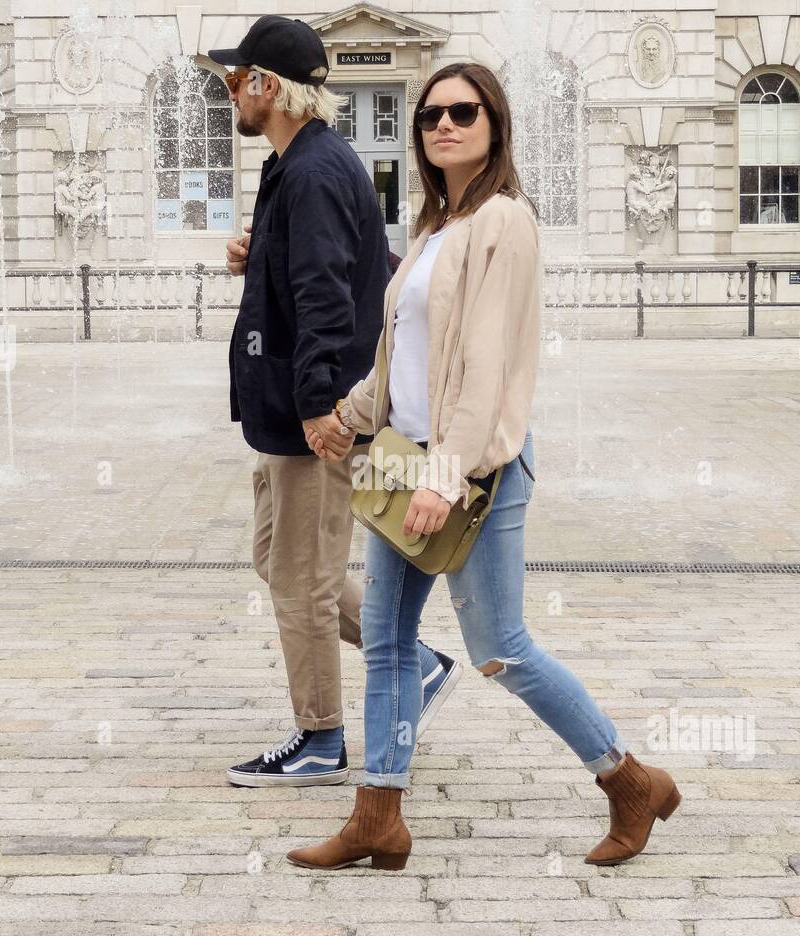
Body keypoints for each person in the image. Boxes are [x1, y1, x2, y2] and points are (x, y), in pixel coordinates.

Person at [289, 62, 681, 867]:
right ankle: (379, 814)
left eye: (463, 112)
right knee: (392, 643)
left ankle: (629, 780)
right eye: (430, 114)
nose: (443, 125)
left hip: (478, 471)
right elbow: (403, 357)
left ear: (495, 124)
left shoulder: (507, 222)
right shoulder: (436, 226)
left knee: (500, 646)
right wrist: (348, 418)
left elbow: (487, 366)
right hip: (406, 466)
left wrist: (448, 475)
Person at [211, 16, 461, 787]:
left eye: (235, 78)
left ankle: (320, 737)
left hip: (310, 415)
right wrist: (261, 256)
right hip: (285, 412)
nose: (229, 92)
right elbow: (363, 265)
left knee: (300, 582)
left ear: (265, 86)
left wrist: (323, 406)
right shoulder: (298, 165)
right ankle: (415, 660)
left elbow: (325, 298)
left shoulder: (314, 171)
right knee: (276, 561)